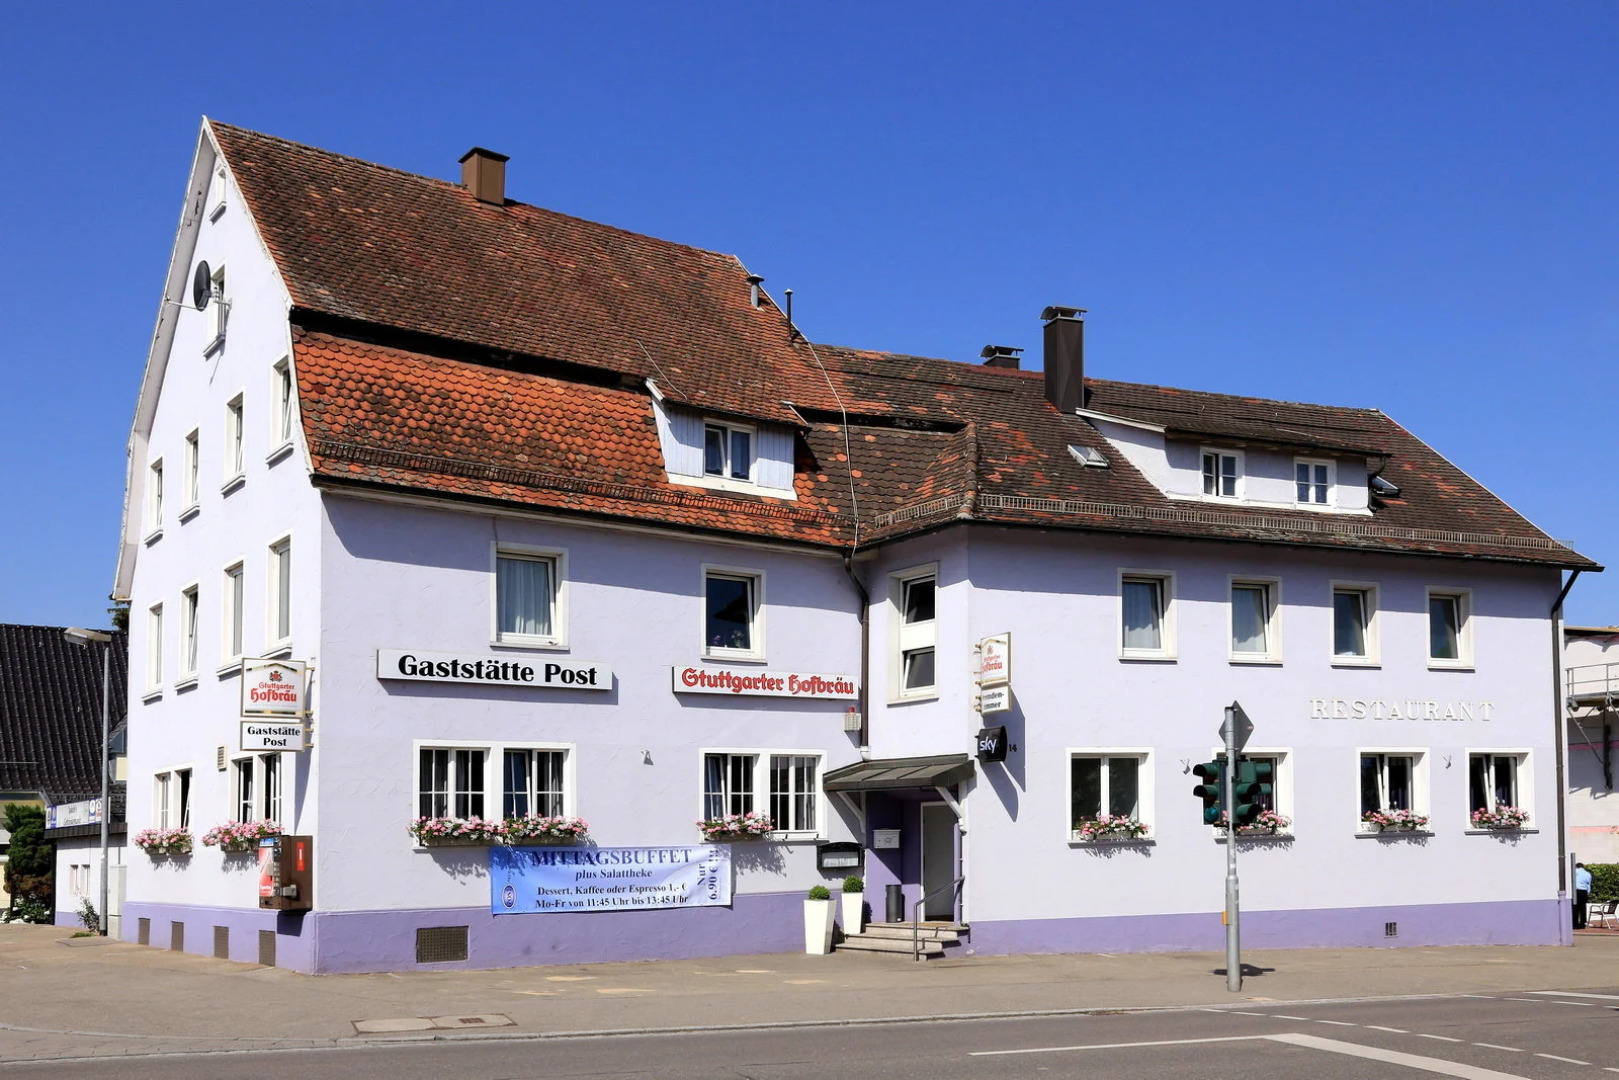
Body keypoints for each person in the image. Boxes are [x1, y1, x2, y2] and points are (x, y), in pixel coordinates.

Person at [1574, 862, 1593, 930]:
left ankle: (1575, 924)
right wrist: (1587, 893)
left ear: (1576, 867)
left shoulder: (1575, 872)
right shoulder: (1588, 874)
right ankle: (1582, 924)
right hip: (1584, 891)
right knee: (1583, 908)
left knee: (1575, 908)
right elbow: (1588, 885)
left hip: (1576, 890)